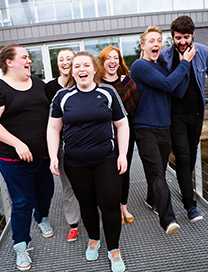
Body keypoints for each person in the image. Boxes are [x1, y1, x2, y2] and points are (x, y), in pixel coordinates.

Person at [47, 51, 129, 272]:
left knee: (110, 205)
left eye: (86, 65)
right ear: (72, 71)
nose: (81, 69)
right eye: (76, 66)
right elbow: (54, 127)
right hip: (75, 162)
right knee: (87, 205)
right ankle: (94, 239)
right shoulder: (62, 97)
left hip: (106, 158)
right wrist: (54, 155)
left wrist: (122, 155)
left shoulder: (108, 92)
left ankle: (114, 249)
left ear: (94, 69)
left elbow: (122, 124)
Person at [0, 44, 55, 271]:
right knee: (22, 201)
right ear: (9, 62)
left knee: (46, 192)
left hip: (42, 156)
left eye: (29, 58)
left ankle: (41, 218)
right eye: (24, 57)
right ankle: (21, 246)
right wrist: (17, 143)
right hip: (13, 160)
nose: (29, 61)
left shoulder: (40, 85)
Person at [158, 15, 208, 223]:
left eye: (186, 37)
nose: (182, 42)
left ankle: (184, 188)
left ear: (193, 35)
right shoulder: (165, 57)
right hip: (175, 116)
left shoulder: (204, 52)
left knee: (190, 158)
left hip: (197, 114)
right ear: (172, 37)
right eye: (178, 38)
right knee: (182, 158)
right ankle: (190, 207)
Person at [130, 26, 196, 236]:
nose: (156, 44)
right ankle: (168, 220)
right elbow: (169, 84)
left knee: (157, 169)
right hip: (145, 128)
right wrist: (184, 63)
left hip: (164, 128)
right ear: (143, 45)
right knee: (158, 173)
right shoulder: (140, 65)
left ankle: (151, 199)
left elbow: (177, 90)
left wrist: (184, 65)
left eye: (159, 40)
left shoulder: (162, 67)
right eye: (151, 41)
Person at [98, 45, 139, 225]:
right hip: (103, 137)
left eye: (116, 58)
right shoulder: (96, 84)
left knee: (124, 170)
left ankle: (123, 206)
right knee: (107, 173)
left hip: (124, 134)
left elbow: (131, 108)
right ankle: (112, 207)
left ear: (120, 62)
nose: (112, 61)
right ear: (103, 62)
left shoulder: (128, 82)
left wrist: (121, 85)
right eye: (108, 58)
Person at [46, 48, 82, 242]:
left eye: (69, 58)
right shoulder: (51, 88)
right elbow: (51, 122)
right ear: (58, 64)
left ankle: (94, 215)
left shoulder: (84, 82)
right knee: (68, 185)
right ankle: (73, 223)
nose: (65, 62)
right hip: (63, 145)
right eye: (61, 59)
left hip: (85, 142)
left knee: (91, 183)